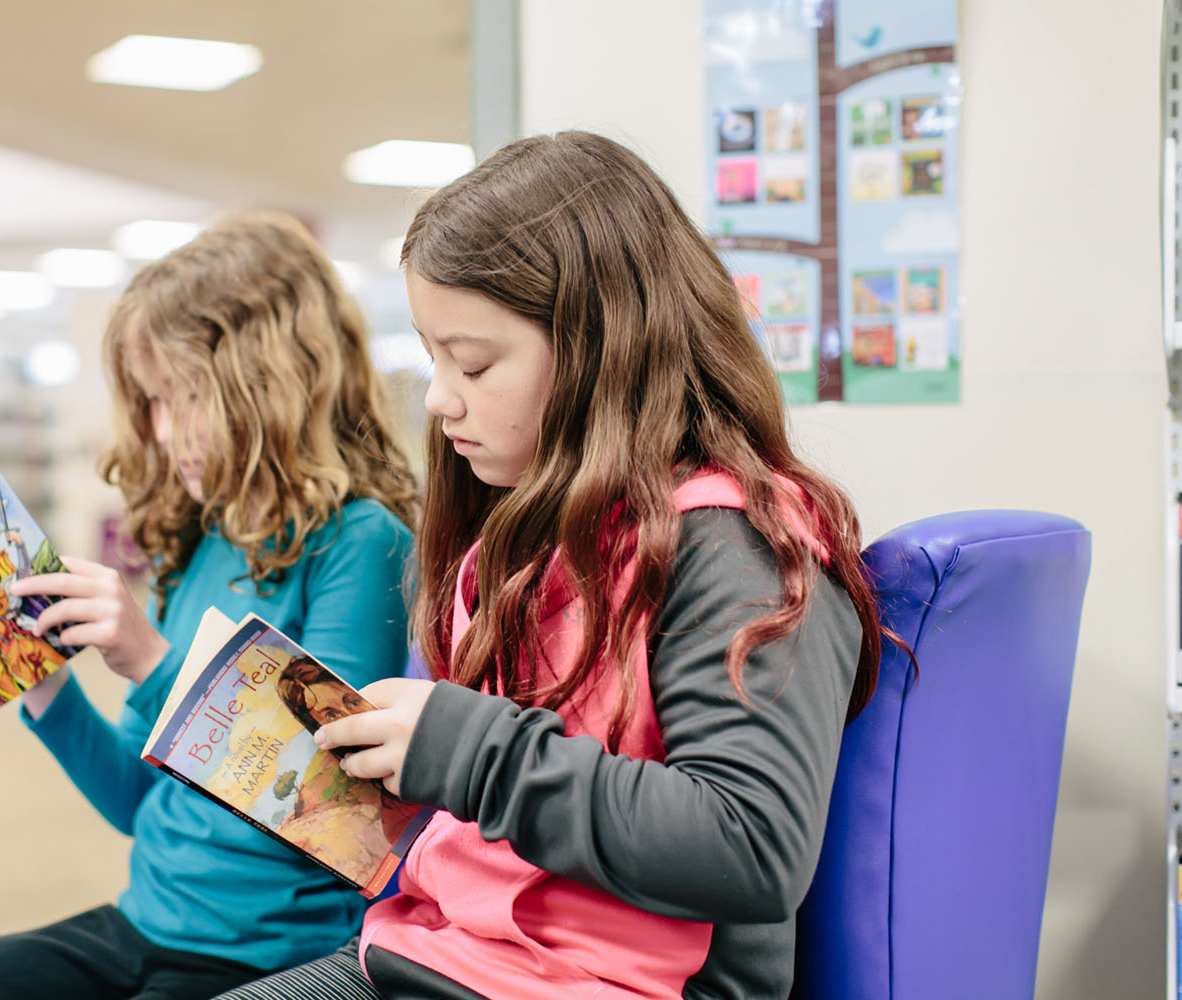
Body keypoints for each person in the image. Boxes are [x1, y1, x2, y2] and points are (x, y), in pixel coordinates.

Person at [212, 131, 888, 1000]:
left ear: (604, 347)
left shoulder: (734, 545)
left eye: (474, 362)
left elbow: (751, 844)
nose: (438, 397)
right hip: (442, 953)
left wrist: (468, 750)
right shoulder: (533, 533)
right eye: (433, 359)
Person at [0, 211, 419, 1000]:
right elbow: (136, 803)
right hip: (138, 926)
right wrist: (38, 680)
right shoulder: (206, 540)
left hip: (265, 957)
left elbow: (341, 817)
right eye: (152, 402)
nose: (167, 434)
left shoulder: (360, 542)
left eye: (188, 396)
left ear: (273, 386)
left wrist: (152, 662)